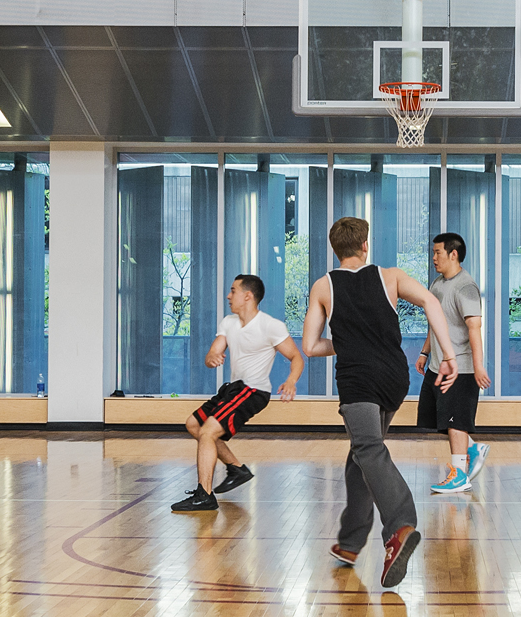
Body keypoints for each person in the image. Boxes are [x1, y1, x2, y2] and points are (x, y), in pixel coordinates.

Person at [305, 217, 457, 589]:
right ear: (365, 246)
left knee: (368, 449)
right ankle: (352, 542)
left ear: (335, 248)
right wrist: (448, 355)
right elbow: (432, 303)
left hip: (358, 382)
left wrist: (347, 342)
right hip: (394, 378)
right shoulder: (391, 276)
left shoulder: (324, 286)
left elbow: (310, 346)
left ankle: (399, 525)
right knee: (360, 453)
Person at [173, 274, 302, 514]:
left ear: (248, 296)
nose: (228, 295)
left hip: (254, 390)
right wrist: (211, 358)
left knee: (209, 431)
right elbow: (215, 351)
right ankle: (236, 468)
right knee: (194, 425)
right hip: (233, 389)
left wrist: (291, 381)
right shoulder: (228, 322)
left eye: (233, 291)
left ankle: (205, 495)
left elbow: (296, 357)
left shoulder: (270, 326)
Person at [420, 232, 491, 495]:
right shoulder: (437, 284)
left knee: (455, 421)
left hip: (461, 368)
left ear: (454, 254)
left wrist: (478, 366)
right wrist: (425, 352)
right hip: (438, 366)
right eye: (433, 252)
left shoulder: (465, 287)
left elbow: (475, 327)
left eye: (438, 252)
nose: (434, 257)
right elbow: (435, 323)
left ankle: (459, 474)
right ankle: (472, 447)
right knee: (437, 419)